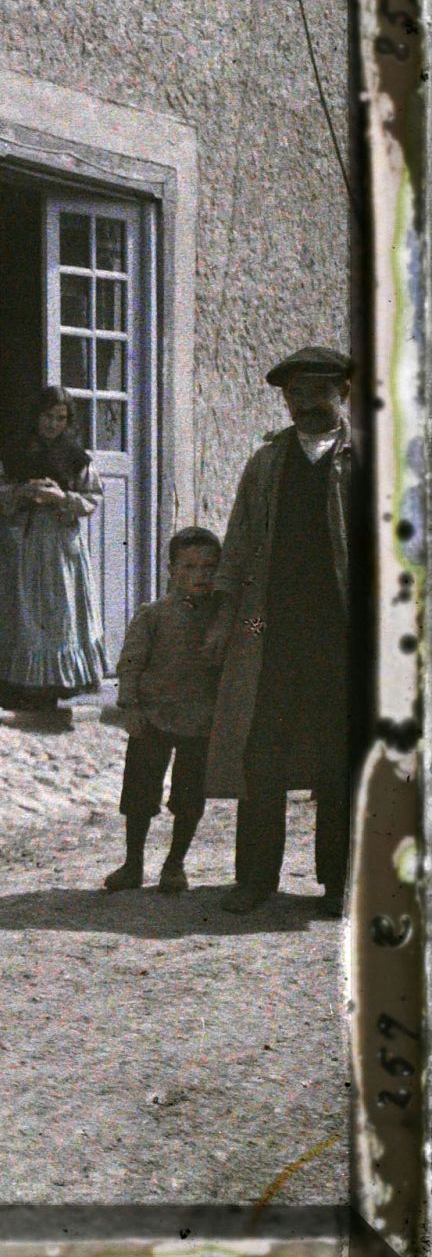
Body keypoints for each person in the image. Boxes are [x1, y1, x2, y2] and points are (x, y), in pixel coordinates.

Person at [203, 345, 359, 918]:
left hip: (346, 635)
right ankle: (254, 879)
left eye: (316, 393)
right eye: (294, 395)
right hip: (271, 631)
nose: (303, 405)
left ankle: (340, 883)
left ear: (342, 395)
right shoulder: (267, 463)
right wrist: (225, 617)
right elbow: (240, 538)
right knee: (260, 753)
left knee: (340, 758)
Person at [103, 527, 222, 893]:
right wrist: (130, 707)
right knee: (139, 793)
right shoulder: (153, 615)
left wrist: (256, 621)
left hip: (200, 721)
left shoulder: (222, 619)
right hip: (153, 718)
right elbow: (131, 663)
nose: (199, 575)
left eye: (207, 567)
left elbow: (255, 630)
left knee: (190, 797)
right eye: (188, 567)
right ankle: (133, 863)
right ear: (171, 570)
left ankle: (175, 864)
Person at [0, 386, 108, 716]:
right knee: (28, 610)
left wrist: (63, 499)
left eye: (60, 418)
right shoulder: (17, 452)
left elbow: (94, 496)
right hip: (27, 541)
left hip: (61, 542)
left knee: (61, 611)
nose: (53, 424)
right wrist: (23, 491)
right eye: (47, 417)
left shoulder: (75, 456)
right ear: (36, 417)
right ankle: (26, 684)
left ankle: (61, 682)